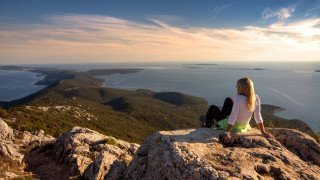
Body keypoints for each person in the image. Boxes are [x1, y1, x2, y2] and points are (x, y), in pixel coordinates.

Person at [204, 77, 273, 144]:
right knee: (228, 100)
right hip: (244, 125)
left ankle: (207, 125)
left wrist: (227, 133)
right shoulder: (256, 97)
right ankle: (218, 124)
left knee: (213, 108)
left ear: (241, 88)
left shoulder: (238, 98)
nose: (236, 87)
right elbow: (258, 116)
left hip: (235, 126)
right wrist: (263, 132)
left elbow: (233, 117)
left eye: (237, 85)